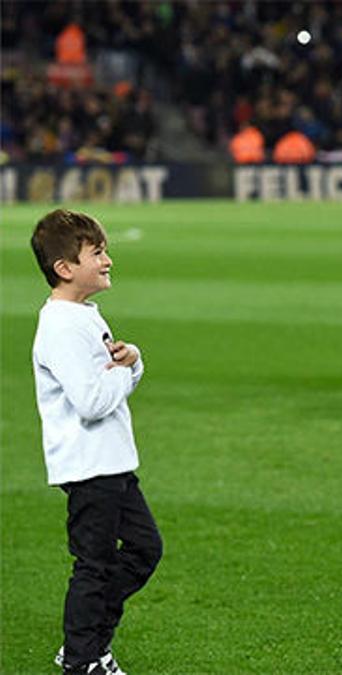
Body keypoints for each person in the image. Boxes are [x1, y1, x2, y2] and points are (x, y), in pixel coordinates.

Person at [30, 209, 163, 674]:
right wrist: (123, 373)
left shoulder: (82, 314)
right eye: (97, 252)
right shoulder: (61, 325)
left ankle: (82, 644)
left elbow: (109, 380)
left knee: (145, 549)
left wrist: (132, 360)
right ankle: (83, 658)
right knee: (95, 565)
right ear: (65, 268)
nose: (108, 260)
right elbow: (90, 400)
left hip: (111, 462)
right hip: (89, 466)